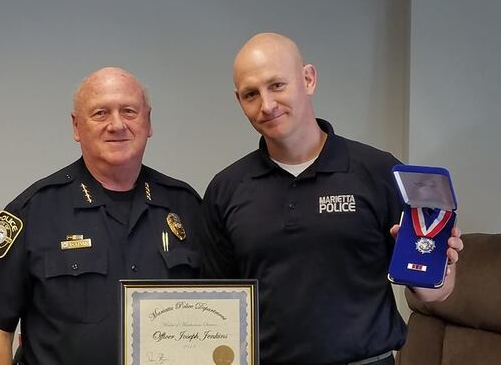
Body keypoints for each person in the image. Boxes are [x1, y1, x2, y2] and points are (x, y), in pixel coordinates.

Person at [198, 33, 464, 365]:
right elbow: (217, 305)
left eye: (277, 85)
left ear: (308, 79)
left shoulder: (379, 171)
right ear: (240, 101)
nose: (266, 105)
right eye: (252, 94)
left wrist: (436, 272)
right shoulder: (225, 190)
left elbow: (436, 291)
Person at [0, 67, 201, 365]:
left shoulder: (186, 206)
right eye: (100, 113)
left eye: (129, 111)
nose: (117, 124)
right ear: (76, 126)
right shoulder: (35, 211)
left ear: (148, 121)